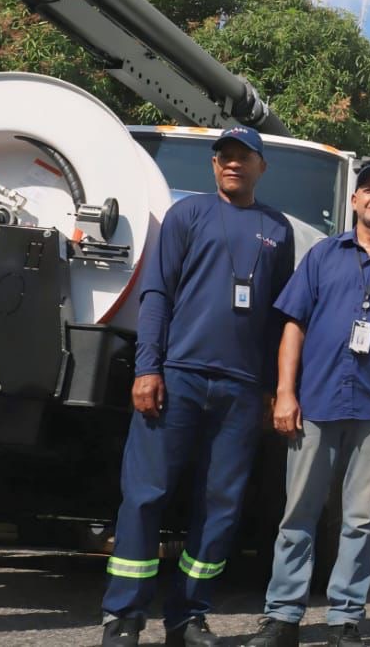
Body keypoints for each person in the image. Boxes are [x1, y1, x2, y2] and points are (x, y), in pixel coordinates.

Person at [100, 125, 297, 647]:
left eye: (243, 156)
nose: (233, 163)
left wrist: (273, 388)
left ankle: (188, 617)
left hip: (241, 390)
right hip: (177, 378)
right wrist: (148, 368)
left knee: (220, 507)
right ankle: (123, 616)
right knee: (146, 496)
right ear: (214, 165)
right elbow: (157, 294)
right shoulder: (186, 215)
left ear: (261, 166)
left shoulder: (278, 229)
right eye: (224, 156)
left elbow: (279, 319)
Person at [247, 162, 370, 647]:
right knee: (298, 515)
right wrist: (285, 392)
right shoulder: (323, 255)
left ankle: (344, 621)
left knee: (361, 521)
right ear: (354, 200)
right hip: (315, 403)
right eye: (368, 189)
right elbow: (294, 326)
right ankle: (282, 617)